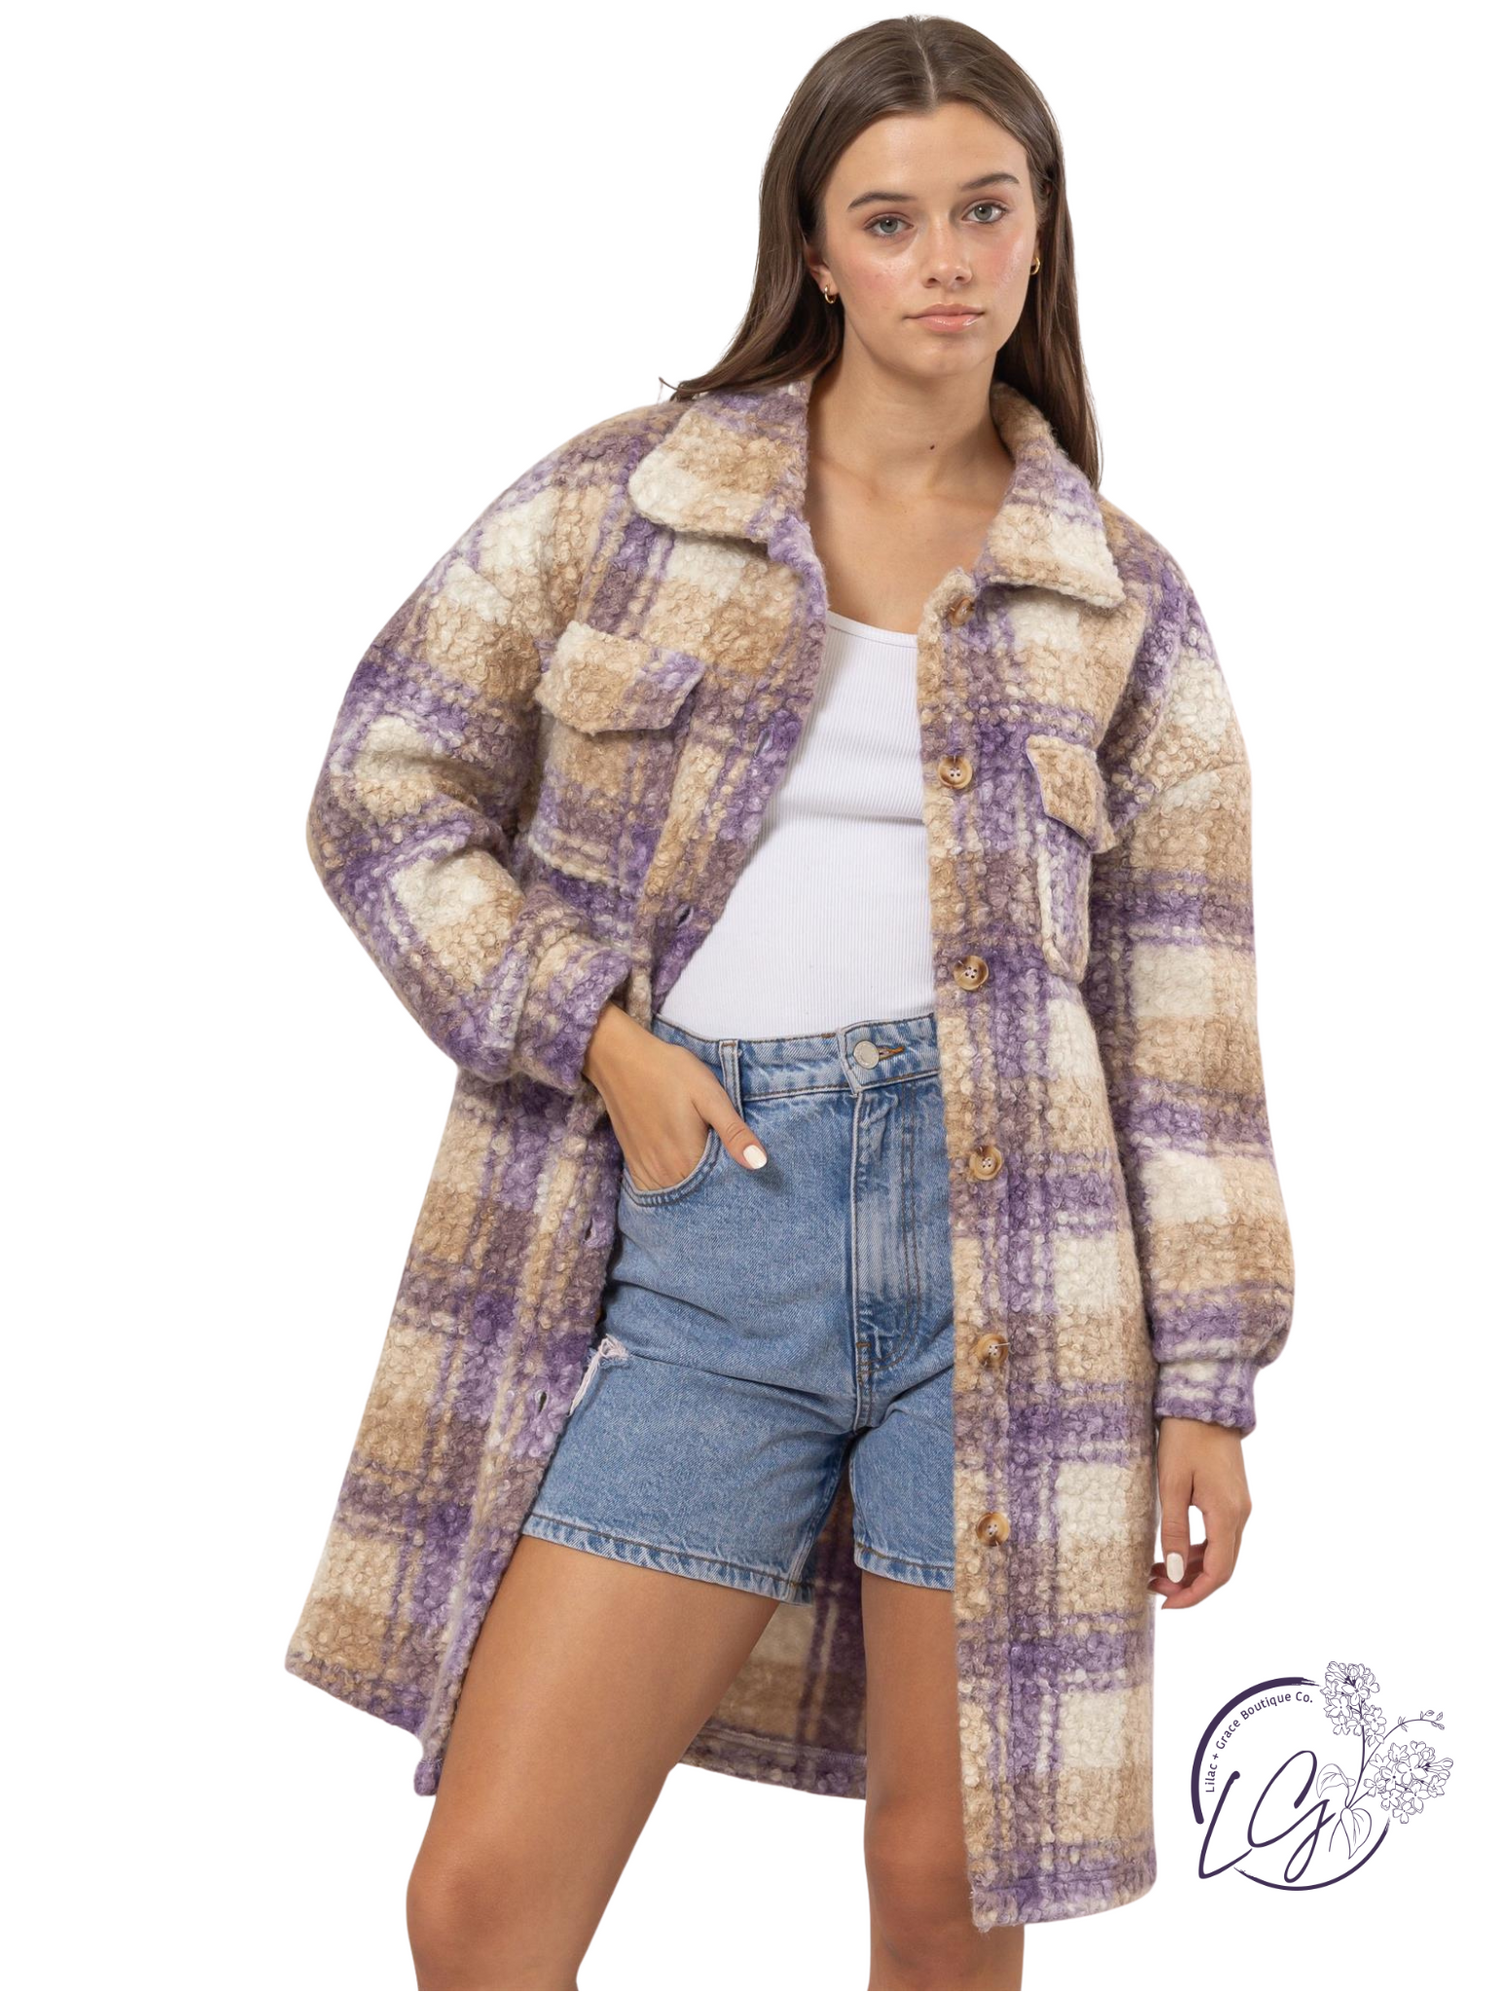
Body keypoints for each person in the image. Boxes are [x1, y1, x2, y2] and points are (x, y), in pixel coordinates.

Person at [286, 17, 1295, 1991]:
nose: (946, 258)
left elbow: (1185, 1023)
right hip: (707, 1242)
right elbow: (381, 789)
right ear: (816, 250)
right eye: (891, 219)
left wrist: (1207, 1383)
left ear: (1039, 231)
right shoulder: (627, 504)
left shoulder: (1122, 600)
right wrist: (596, 1038)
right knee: (483, 1898)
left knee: (945, 1885)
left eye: (984, 211)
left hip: (1021, 1276)